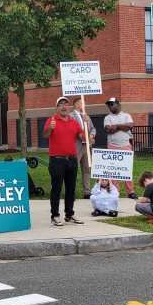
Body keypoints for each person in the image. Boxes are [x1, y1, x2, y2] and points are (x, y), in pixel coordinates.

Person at [43, 96, 86, 226]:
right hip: (57, 160)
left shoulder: (73, 121)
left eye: (65, 104)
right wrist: (50, 128)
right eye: (60, 104)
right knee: (56, 188)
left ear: (69, 107)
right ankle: (55, 215)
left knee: (71, 189)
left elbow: (82, 136)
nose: (63, 107)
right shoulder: (51, 120)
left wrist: (87, 126)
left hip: (72, 160)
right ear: (57, 108)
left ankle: (69, 214)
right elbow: (45, 135)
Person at [103, 97, 137, 199]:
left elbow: (130, 125)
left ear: (118, 104)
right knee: (113, 170)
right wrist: (123, 126)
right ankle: (115, 191)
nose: (110, 106)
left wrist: (116, 126)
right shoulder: (107, 117)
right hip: (112, 146)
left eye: (112, 104)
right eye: (109, 105)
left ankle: (130, 191)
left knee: (127, 169)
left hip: (125, 146)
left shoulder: (126, 115)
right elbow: (108, 129)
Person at [71, 97, 96, 198]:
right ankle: (71, 191)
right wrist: (85, 136)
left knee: (86, 169)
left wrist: (91, 136)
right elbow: (73, 130)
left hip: (86, 146)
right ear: (76, 104)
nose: (84, 105)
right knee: (73, 169)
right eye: (82, 103)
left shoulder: (86, 116)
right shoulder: (71, 116)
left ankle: (87, 191)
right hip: (76, 146)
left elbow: (93, 128)